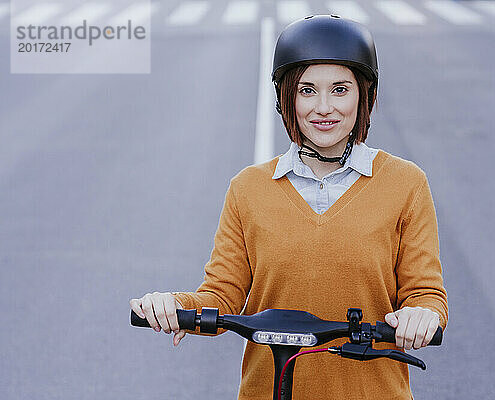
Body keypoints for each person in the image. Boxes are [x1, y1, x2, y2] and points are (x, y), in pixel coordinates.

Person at [130, 15, 448, 400]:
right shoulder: (247, 189)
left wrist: (422, 315)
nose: (324, 107)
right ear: (287, 98)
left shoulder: (405, 183)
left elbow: (425, 293)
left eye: (340, 89)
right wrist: (172, 306)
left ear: (364, 95)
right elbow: (220, 298)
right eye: (307, 90)